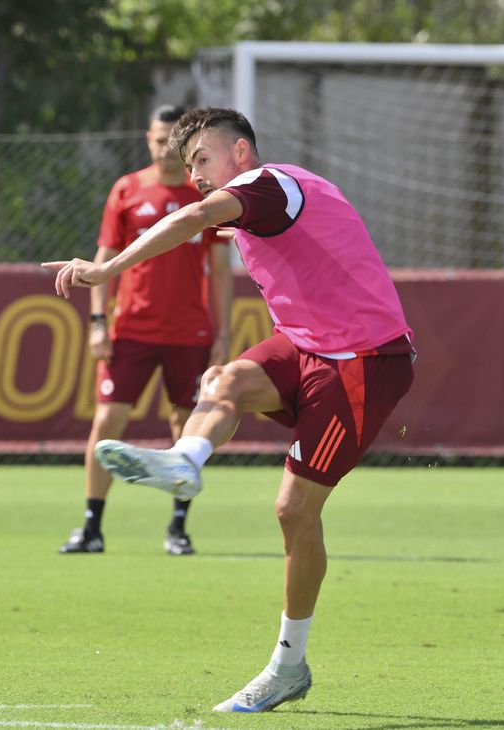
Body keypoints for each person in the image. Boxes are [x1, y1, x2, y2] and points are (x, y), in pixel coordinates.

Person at [43, 107, 415, 713]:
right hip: (310, 346)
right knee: (226, 381)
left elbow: (192, 218)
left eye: (201, 160)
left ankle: (288, 665)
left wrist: (106, 268)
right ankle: (186, 460)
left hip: (363, 361)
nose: (193, 175)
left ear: (240, 153)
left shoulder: (266, 185)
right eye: (187, 165)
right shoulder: (262, 202)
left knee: (294, 511)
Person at [59, 104, 233, 557]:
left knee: (185, 427)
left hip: (190, 334)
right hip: (131, 330)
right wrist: (98, 322)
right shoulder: (128, 190)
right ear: (147, 139)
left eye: (173, 140)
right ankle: (92, 525)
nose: (164, 149)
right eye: (158, 139)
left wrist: (223, 333)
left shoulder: (206, 197)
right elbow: (104, 259)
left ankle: (178, 528)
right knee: (107, 421)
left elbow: (219, 269)